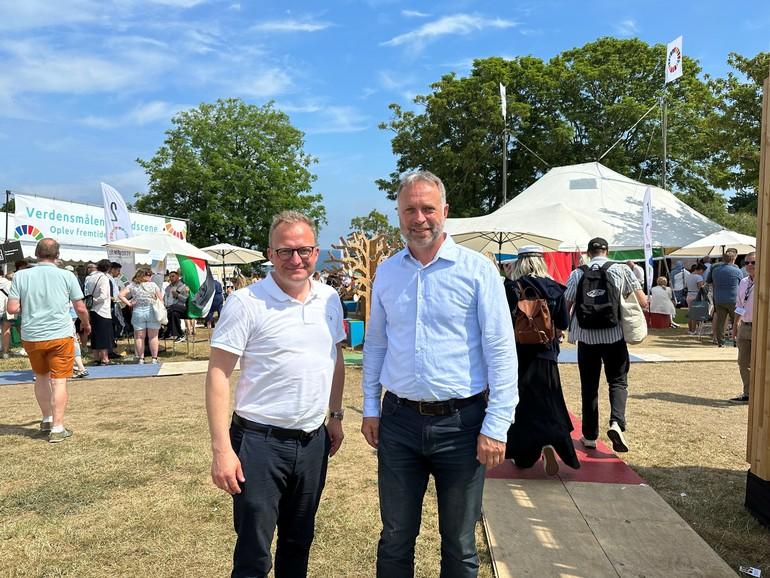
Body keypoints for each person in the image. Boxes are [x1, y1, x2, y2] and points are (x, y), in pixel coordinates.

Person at [361, 171, 517, 577]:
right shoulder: (388, 272)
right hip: (398, 423)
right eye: (410, 209)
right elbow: (376, 343)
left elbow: (500, 351)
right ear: (398, 214)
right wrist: (369, 408)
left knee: (460, 544)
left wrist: (497, 424)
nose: (420, 218)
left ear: (444, 212)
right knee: (395, 536)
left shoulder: (478, 271)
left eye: (428, 208)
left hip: (463, 425)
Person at [206, 211, 345, 578]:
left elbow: (336, 357)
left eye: (304, 250)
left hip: (314, 442)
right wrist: (222, 450)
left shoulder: (329, 298)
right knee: (254, 552)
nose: (296, 260)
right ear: (270, 253)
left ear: (316, 251)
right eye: (286, 251)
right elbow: (219, 374)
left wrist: (335, 416)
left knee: (299, 543)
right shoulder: (246, 302)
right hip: (259, 443)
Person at [565, 237, 648, 453]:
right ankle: (616, 423)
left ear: (588, 252)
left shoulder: (577, 273)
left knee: (589, 387)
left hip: (586, 337)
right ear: (607, 251)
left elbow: (567, 303)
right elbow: (642, 300)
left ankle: (590, 436)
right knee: (618, 381)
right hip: (614, 336)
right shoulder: (621, 270)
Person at [6, 238, 91, 442]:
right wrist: (86, 324)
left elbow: (12, 309)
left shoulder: (21, 276)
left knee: (41, 377)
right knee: (59, 380)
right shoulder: (67, 275)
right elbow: (80, 308)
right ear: (58, 255)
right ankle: (58, 428)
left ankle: (47, 419)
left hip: (32, 335)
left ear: (36, 254)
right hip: (59, 334)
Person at [503, 245, 578, 476]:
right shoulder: (554, 288)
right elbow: (563, 323)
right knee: (550, 399)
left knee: (522, 403)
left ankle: (524, 454)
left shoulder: (511, 287)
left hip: (518, 354)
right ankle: (552, 441)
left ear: (520, 262)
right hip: (546, 354)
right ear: (540, 262)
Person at [119, 268, 163, 364]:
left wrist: (129, 303)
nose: (150, 276)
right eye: (149, 275)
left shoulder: (132, 286)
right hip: (152, 311)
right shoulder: (153, 285)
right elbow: (160, 299)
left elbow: (120, 295)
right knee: (153, 336)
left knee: (139, 337)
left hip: (138, 311)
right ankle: (154, 358)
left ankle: (141, 359)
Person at [730, 252, 755, 403]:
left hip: (761, 328)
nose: (750, 266)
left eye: (753, 262)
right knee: (743, 362)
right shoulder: (744, 281)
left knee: (761, 363)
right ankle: (748, 393)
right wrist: (735, 325)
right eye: (747, 263)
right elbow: (740, 305)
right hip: (745, 325)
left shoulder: (765, 281)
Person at [707, 249, 743, 347]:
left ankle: (721, 342)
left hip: (719, 299)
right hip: (733, 299)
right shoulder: (737, 270)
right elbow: (742, 284)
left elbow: (708, 281)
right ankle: (737, 341)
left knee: (720, 322)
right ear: (734, 258)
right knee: (736, 321)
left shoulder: (715, 269)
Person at [85, 259, 114, 365]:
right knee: (104, 335)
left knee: (95, 335)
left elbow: (87, 292)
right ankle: (105, 358)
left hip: (92, 310)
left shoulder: (90, 277)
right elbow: (103, 295)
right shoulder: (104, 278)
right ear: (108, 268)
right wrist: (95, 301)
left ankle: (96, 358)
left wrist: (91, 303)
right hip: (102, 310)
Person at [163, 271, 189, 341]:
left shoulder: (183, 286)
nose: (171, 278)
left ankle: (166, 331)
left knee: (170, 309)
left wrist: (178, 295)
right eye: (170, 276)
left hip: (181, 307)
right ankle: (180, 334)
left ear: (178, 277)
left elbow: (186, 299)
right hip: (170, 308)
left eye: (173, 276)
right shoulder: (168, 288)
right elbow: (165, 298)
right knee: (174, 314)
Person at [685, 264, 706, 334]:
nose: (702, 273)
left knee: (690, 313)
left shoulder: (688, 276)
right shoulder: (698, 277)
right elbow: (701, 287)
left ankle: (690, 329)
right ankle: (694, 330)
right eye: (702, 271)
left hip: (689, 295)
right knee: (695, 315)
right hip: (696, 295)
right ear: (700, 270)